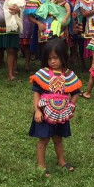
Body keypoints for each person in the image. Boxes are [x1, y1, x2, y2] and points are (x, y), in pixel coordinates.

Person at [29, 38, 82, 177]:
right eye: (49, 58)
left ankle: (61, 161)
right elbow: (36, 93)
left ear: (63, 56)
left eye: (56, 58)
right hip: (45, 113)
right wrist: (37, 110)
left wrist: (71, 105)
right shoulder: (42, 74)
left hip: (62, 113)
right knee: (43, 139)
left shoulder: (69, 75)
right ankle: (41, 166)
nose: (52, 61)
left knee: (58, 138)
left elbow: (76, 92)